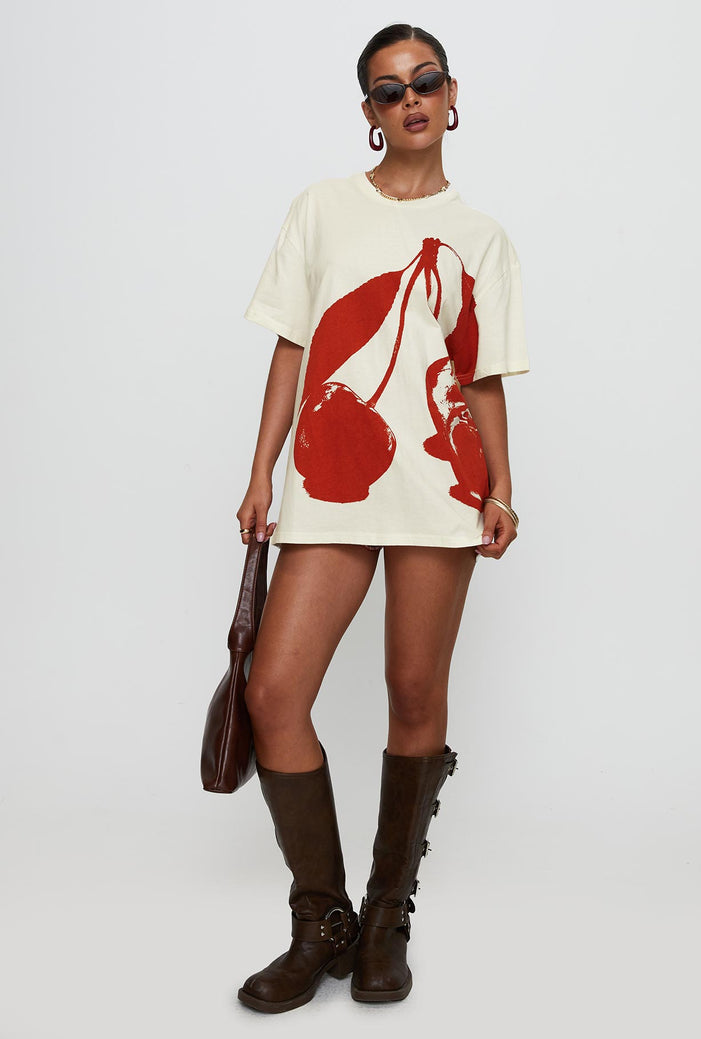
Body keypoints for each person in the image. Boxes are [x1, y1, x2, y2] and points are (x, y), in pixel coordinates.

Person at [234, 23, 529, 1014]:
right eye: (389, 88)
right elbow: (290, 347)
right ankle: (320, 922)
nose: (410, 99)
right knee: (274, 691)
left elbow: (480, 377)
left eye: (425, 81)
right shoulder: (321, 210)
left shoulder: (479, 236)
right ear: (368, 112)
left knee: (412, 689)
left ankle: (384, 920)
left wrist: (501, 485)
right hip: (331, 479)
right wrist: (260, 471)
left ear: (451, 95)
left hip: (440, 486)